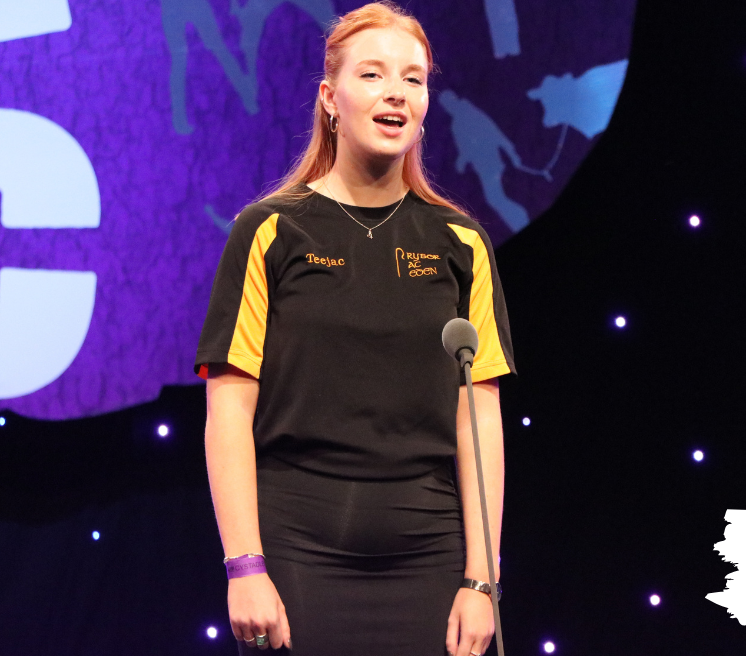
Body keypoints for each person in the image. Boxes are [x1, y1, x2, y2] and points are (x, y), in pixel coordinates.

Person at [194, 3, 515, 655]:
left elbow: (478, 416)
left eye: (413, 79)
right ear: (329, 98)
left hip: (429, 554)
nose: (396, 92)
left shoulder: (460, 242)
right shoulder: (269, 230)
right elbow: (228, 407)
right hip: (296, 551)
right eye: (372, 74)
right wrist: (245, 567)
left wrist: (482, 581)